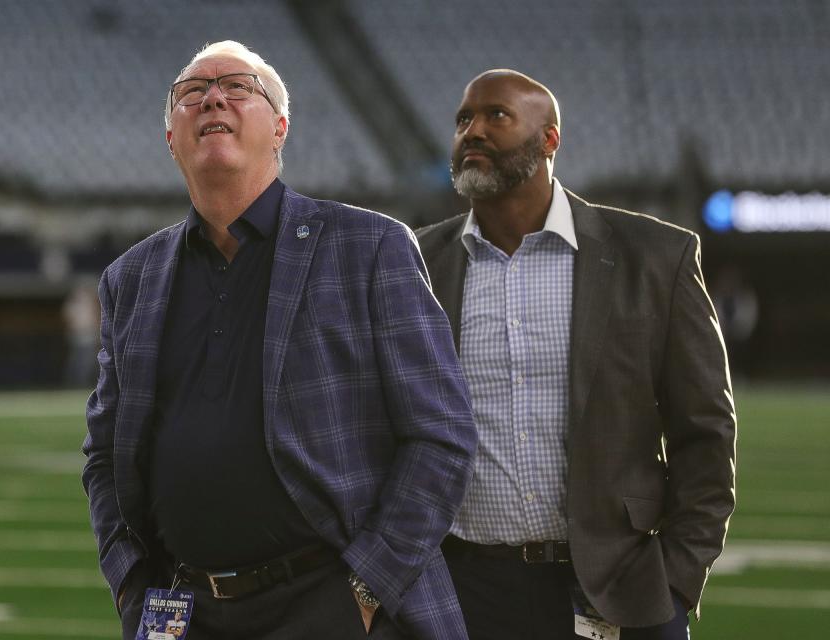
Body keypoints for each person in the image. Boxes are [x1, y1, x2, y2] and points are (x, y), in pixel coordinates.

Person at [82, 41, 477, 640]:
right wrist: (133, 586)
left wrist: (364, 592)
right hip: (184, 612)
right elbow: (106, 455)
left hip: (329, 604)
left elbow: (440, 436)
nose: (212, 96)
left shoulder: (369, 247)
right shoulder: (130, 278)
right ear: (171, 139)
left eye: (238, 87)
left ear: (280, 128)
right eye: (190, 93)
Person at [415, 70, 736, 639]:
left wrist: (678, 579)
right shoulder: (417, 262)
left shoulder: (655, 257)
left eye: (497, 116)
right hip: (463, 592)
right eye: (463, 120)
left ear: (549, 140)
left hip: (620, 588)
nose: (473, 132)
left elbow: (706, 431)